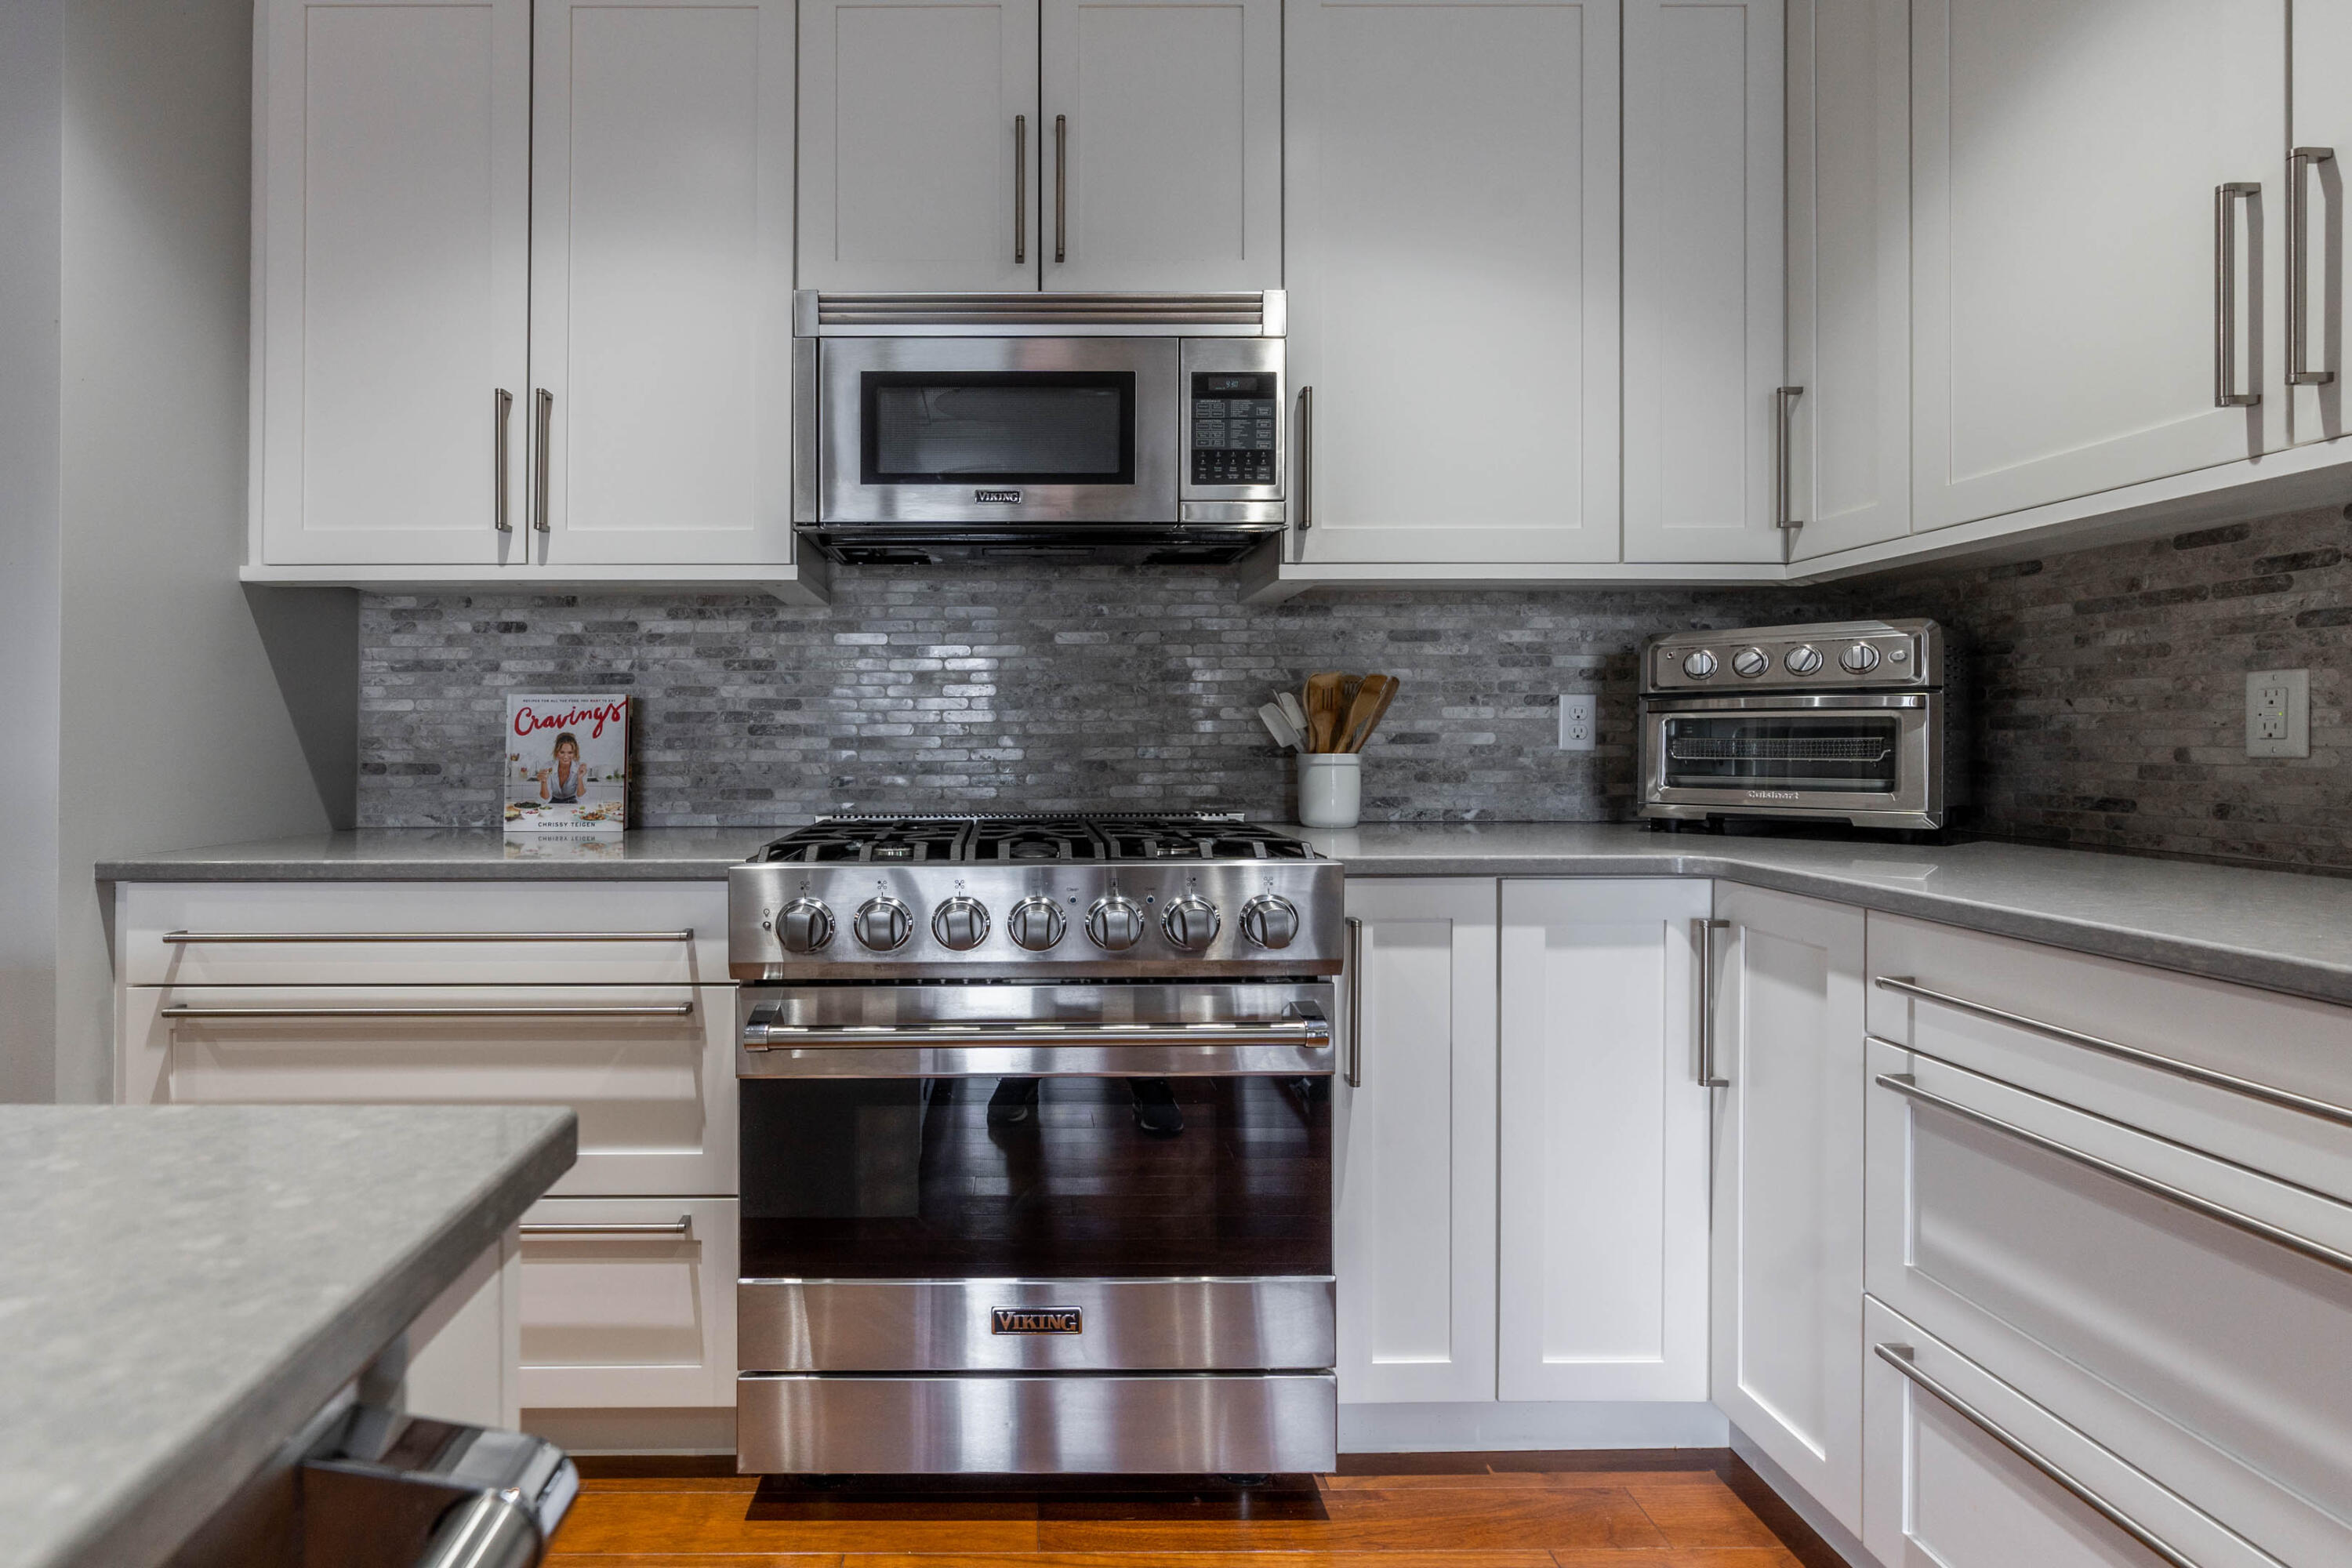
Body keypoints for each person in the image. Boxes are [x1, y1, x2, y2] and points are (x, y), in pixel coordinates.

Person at [536, 732, 588, 804]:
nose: (566, 757)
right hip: (553, 802)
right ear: (557, 752)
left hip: (572, 803)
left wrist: (580, 778)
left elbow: (581, 798)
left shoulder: (580, 768)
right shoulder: (548, 767)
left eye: (570, 753)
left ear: (575, 753)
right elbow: (545, 799)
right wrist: (543, 782)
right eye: (562, 752)